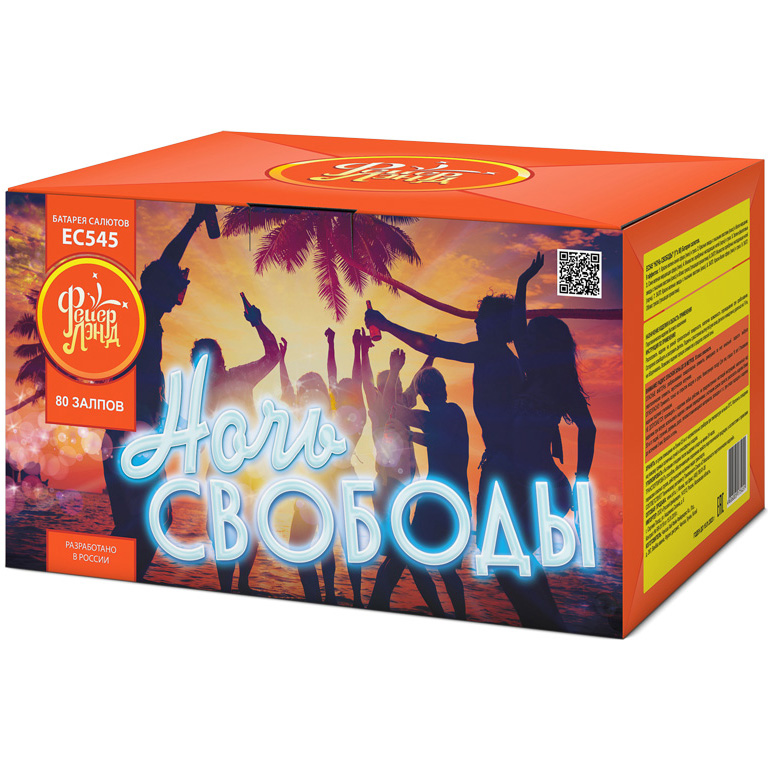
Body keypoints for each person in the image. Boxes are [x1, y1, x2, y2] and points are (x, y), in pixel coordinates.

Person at [364, 253, 572, 629]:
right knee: (512, 557)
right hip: (507, 465)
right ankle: (548, 621)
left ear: (495, 326)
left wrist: (387, 324)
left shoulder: (492, 353)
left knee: (506, 558)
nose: (474, 323)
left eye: (480, 319)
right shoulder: (504, 360)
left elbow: (436, 347)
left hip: (506, 466)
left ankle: (547, 623)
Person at [102, 203, 219, 580]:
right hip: (129, 438)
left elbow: (145, 388)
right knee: (148, 522)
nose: (177, 299)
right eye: (176, 290)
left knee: (141, 523)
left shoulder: (147, 322)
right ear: (158, 288)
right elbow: (168, 260)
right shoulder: (141, 312)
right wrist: (196, 221)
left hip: (132, 436)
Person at [368, 354, 470, 618]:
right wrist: (412, 435)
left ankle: (376, 605)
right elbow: (435, 438)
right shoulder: (454, 413)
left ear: (424, 396)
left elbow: (393, 407)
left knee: (407, 553)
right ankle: (459, 618)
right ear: (444, 388)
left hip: (436, 500)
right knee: (444, 568)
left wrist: (394, 370)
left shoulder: (436, 416)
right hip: (456, 500)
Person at [190, 297, 280, 594]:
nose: (219, 362)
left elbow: (273, 355)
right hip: (224, 468)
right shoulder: (200, 394)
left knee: (249, 528)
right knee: (220, 530)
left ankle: (240, 585)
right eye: (211, 360)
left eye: (217, 357)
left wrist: (258, 323)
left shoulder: (238, 376)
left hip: (248, 466)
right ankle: (229, 587)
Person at [278, 336, 358, 606]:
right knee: (324, 545)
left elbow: (286, 388)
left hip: (312, 488)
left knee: (299, 548)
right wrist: (331, 345)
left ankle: (316, 598)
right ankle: (330, 596)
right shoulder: (329, 408)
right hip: (327, 487)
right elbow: (331, 375)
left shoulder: (301, 411)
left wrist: (282, 359)